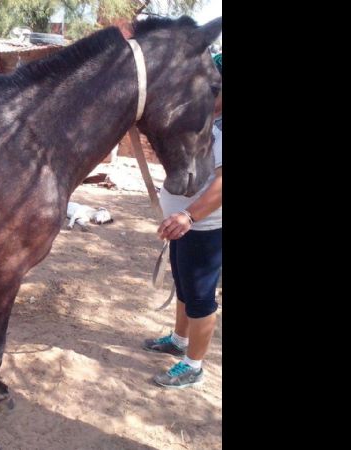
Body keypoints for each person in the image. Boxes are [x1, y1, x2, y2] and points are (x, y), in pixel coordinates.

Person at [142, 54, 222, 389]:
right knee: (184, 287)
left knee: (200, 296)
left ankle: (193, 366)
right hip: (183, 225)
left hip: (203, 227)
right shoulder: (205, 122)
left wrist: (189, 215)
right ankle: (178, 339)